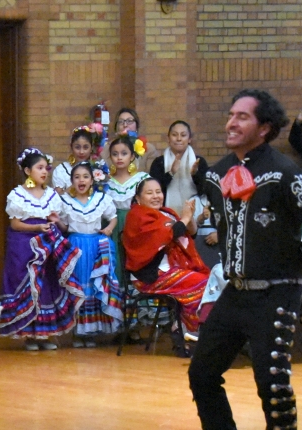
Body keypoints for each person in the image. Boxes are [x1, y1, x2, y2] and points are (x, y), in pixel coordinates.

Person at [188, 89, 302, 430]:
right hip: (234, 293)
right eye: (230, 115)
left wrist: (296, 262)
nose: (231, 124)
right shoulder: (216, 174)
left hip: (276, 294)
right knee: (202, 374)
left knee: (271, 383)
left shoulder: (285, 173)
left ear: (265, 128)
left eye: (242, 117)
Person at [0, 148, 83, 350]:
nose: (44, 172)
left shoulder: (52, 195)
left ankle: (43, 335)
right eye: (39, 168)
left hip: (46, 243)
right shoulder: (17, 195)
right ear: (28, 171)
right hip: (24, 245)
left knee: (46, 286)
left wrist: (56, 222)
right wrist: (37, 227)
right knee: (29, 286)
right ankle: (29, 335)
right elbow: (15, 224)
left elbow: (59, 224)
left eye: (46, 168)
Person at [123, 178, 209, 352]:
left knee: (210, 282)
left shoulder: (166, 213)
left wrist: (189, 217)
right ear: (138, 199)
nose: (156, 196)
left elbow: (188, 233)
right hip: (149, 276)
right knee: (202, 284)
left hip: (171, 270)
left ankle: (184, 330)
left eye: (158, 192)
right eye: (149, 193)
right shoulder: (137, 215)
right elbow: (167, 235)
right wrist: (183, 219)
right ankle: (188, 332)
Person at [59, 162, 122, 346]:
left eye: (85, 176)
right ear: (71, 181)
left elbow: (113, 217)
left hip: (95, 246)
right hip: (75, 246)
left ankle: (92, 331)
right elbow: (65, 226)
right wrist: (57, 222)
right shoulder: (65, 201)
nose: (81, 180)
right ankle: (78, 332)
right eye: (77, 177)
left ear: (92, 180)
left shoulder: (101, 199)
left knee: (95, 287)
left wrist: (109, 229)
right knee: (78, 287)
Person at [148, 121, 217, 266]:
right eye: (174, 135)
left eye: (183, 135)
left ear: (189, 139)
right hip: (166, 220)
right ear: (168, 138)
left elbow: (206, 192)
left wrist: (195, 174)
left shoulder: (199, 162)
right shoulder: (159, 163)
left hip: (194, 220)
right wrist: (171, 173)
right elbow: (153, 191)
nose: (178, 139)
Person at [106, 134, 151, 283]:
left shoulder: (141, 179)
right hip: (112, 226)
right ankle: (116, 299)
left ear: (132, 156)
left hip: (135, 224)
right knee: (116, 260)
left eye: (124, 153)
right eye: (115, 154)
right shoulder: (104, 181)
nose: (119, 157)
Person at [114, 108, 161, 173]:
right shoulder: (108, 148)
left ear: (137, 126)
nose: (125, 125)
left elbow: (152, 176)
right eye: (121, 122)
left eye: (129, 121)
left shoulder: (149, 149)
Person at [52, 126, 96, 194]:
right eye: (77, 147)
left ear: (91, 148)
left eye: (85, 147)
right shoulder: (62, 170)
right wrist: (76, 185)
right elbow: (58, 198)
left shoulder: (98, 169)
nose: (81, 152)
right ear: (71, 147)